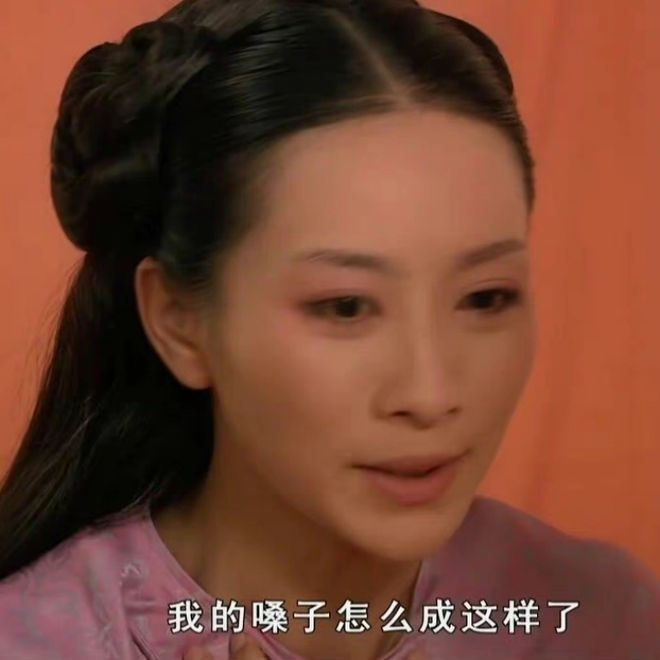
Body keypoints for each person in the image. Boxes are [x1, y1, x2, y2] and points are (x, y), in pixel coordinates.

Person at [0, 0, 657, 658]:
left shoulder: (606, 618)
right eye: (346, 307)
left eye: (485, 298)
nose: (430, 395)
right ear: (180, 322)